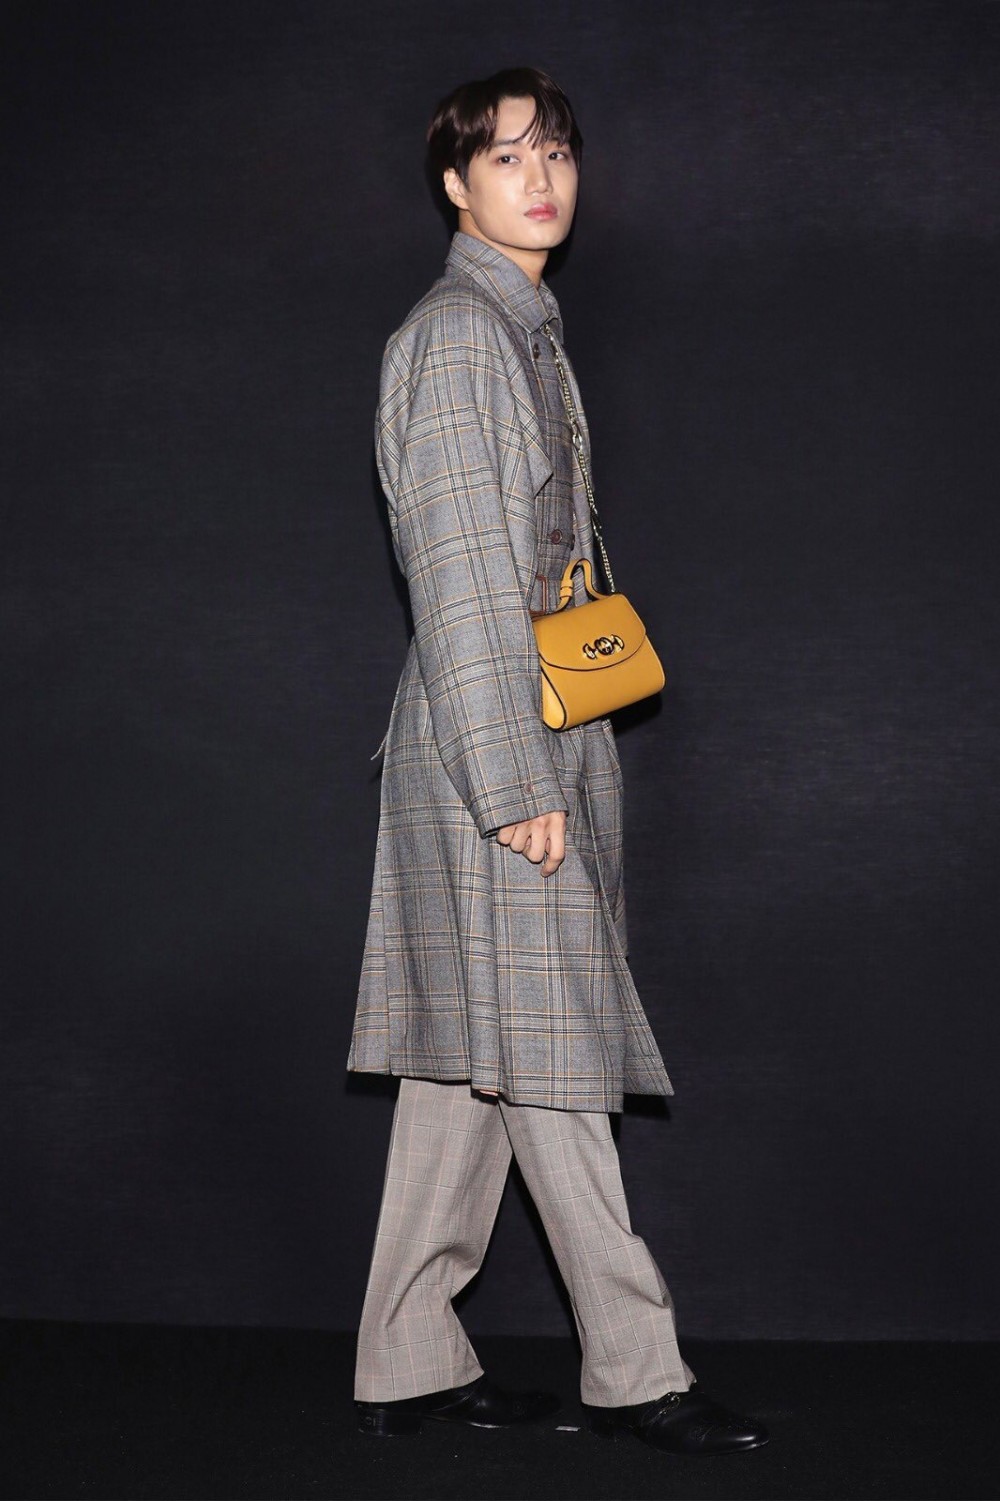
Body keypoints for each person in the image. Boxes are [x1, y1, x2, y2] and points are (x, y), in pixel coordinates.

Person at [347, 66, 769, 1457]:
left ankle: (408, 1356)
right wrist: (514, 782)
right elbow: (460, 580)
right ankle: (637, 1370)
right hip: (499, 746)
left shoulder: (520, 327)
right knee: (553, 1054)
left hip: (528, 724)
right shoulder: (461, 338)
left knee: (466, 1060)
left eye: (559, 153)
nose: (541, 179)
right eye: (507, 157)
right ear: (454, 185)